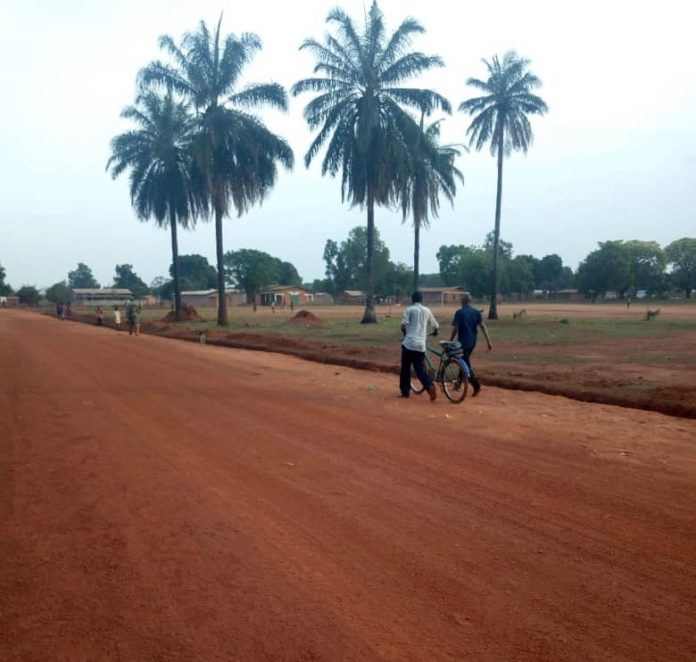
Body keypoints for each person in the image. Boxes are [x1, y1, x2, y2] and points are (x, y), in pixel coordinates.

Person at [450, 292, 492, 396]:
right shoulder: (476, 312)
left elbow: (456, 328)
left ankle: (476, 385)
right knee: (463, 360)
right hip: (472, 342)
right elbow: (483, 326)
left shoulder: (459, 313)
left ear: (462, 301)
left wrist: (450, 340)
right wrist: (488, 341)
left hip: (463, 343)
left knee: (464, 364)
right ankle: (458, 384)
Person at [399, 291, 439, 400]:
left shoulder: (409, 310)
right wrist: (435, 331)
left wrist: (405, 333)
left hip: (409, 344)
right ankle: (429, 386)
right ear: (422, 300)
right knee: (420, 370)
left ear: (412, 300)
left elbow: (403, 325)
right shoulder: (427, 310)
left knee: (405, 369)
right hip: (421, 345)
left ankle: (405, 391)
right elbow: (435, 325)